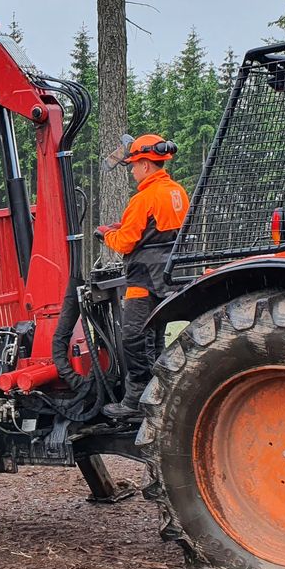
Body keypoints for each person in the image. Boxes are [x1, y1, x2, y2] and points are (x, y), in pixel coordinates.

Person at [95, 133, 190, 421]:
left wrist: (106, 234)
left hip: (142, 277)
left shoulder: (144, 197)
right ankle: (160, 393)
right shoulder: (178, 192)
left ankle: (136, 399)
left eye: (134, 165)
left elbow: (125, 243)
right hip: (167, 274)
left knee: (134, 338)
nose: (133, 171)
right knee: (156, 338)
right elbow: (159, 231)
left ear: (147, 165)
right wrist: (123, 229)